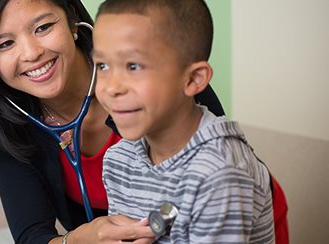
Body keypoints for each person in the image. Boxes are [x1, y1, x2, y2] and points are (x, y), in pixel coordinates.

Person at [0, 0, 225, 243]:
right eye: (5, 44)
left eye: (43, 27)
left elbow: (225, 175)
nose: (31, 53)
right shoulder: (7, 131)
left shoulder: (162, 77)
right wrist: (79, 240)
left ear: (72, 19)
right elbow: (31, 235)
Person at [93, 0, 275, 243]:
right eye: (102, 65)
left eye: (133, 66)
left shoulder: (218, 173)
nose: (112, 87)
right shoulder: (119, 160)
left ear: (192, 79)